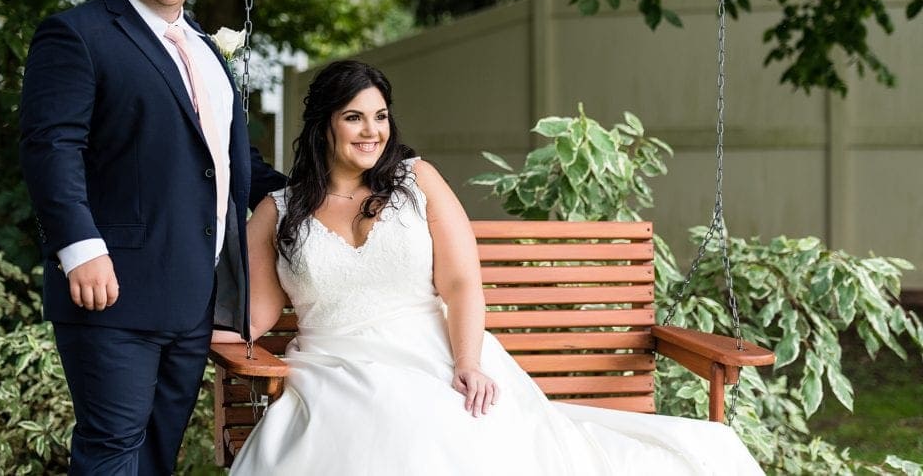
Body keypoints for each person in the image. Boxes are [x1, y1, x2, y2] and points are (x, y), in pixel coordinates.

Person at [218, 59, 765, 475]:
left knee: (452, 427)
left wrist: (469, 361)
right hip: (336, 367)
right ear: (324, 127)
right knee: (385, 429)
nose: (372, 131)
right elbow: (253, 315)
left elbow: (460, 281)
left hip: (435, 351)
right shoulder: (279, 212)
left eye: (380, 116)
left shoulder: (415, 181)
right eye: (354, 117)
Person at [19, 0, 286, 475]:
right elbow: (51, 146)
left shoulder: (207, 52)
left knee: (156, 458)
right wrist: (80, 248)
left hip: (193, 300)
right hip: (112, 292)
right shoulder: (77, 35)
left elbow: (231, 162)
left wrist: (316, 192)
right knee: (112, 454)